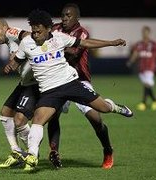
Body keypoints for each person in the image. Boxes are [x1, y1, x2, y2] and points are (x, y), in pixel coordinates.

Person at [4, 9, 133, 172]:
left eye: (39, 31)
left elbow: (85, 43)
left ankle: (116, 107)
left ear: (49, 29)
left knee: (103, 109)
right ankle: (32, 156)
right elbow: (16, 62)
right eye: (34, 31)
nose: (35, 35)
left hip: (71, 83)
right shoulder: (26, 43)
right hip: (49, 91)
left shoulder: (60, 38)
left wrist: (111, 43)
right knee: (38, 120)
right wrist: (10, 66)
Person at [47, 3, 114, 169]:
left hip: (79, 79)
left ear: (77, 17)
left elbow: (74, 52)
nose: (64, 18)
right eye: (63, 15)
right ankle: (54, 152)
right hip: (59, 79)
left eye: (68, 15)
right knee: (52, 114)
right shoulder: (54, 28)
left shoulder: (82, 32)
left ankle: (107, 149)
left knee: (95, 118)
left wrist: (52, 48)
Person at [0, 18, 36, 168]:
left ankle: (32, 154)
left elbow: (30, 36)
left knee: (20, 119)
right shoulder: (9, 41)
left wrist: (18, 54)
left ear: (4, 27)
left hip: (35, 83)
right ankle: (16, 152)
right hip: (25, 83)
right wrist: (12, 63)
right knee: (5, 114)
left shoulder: (10, 32)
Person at [126, 26, 156, 111]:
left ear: (149, 33)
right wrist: (130, 61)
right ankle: (155, 101)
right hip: (141, 68)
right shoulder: (139, 44)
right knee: (147, 85)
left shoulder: (153, 44)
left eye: (146, 32)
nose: (145, 34)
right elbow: (135, 54)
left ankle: (143, 103)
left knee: (147, 84)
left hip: (150, 67)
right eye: (143, 32)